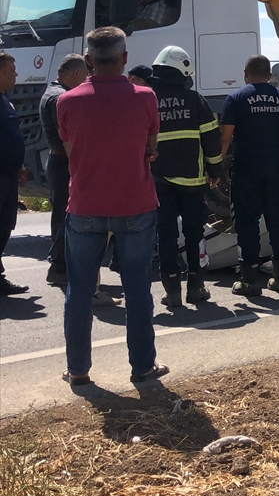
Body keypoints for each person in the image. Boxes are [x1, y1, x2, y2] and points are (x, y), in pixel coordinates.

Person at [57, 27, 168, 385]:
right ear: (124, 58)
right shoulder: (145, 96)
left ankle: (78, 370)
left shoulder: (67, 101)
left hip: (86, 204)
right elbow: (151, 148)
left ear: (88, 61)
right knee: (137, 287)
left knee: (80, 289)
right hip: (135, 203)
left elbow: (72, 151)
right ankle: (142, 367)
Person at [148, 46, 224, 307]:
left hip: (157, 180)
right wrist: (216, 171)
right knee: (194, 234)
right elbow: (212, 140)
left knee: (165, 234)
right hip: (192, 181)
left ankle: (171, 291)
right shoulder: (194, 100)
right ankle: (196, 286)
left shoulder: (147, 99)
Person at [221, 55, 279, 296]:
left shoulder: (235, 98)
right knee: (278, 222)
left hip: (246, 170)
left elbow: (225, 138)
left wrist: (213, 168)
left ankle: (249, 281)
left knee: (247, 224)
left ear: (246, 72)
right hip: (276, 170)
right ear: (269, 74)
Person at [40, 54, 89, 285]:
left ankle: (62, 264)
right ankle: (59, 266)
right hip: (64, 162)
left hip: (59, 161)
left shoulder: (53, 93)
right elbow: (69, 137)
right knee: (65, 215)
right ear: (76, 74)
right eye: (85, 75)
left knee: (64, 213)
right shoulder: (60, 98)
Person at [1, 52, 30, 296]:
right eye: (12, 69)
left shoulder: (4, 98)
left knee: (5, 225)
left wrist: (19, 166)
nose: (16, 74)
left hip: (8, 176)